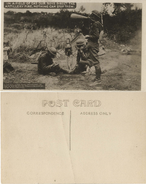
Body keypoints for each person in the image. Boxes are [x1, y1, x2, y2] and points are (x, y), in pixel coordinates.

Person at [86, 10, 103, 84]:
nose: (91, 16)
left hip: (93, 44)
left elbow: (96, 36)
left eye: (92, 15)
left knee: (96, 62)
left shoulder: (95, 24)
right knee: (94, 60)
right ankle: (97, 77)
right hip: (93, 44)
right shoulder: (97, 23)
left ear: (95, 17)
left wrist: (88, 36)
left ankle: (98, 79)